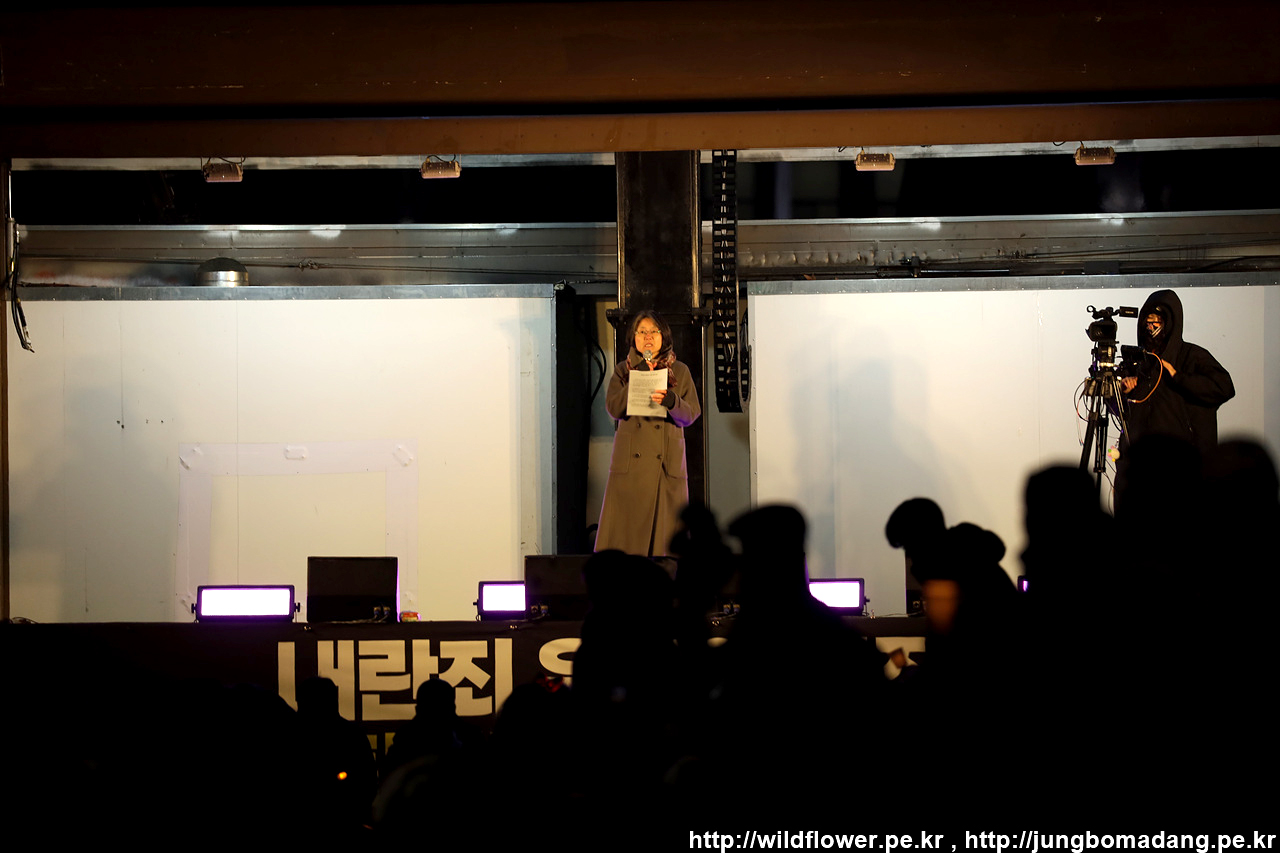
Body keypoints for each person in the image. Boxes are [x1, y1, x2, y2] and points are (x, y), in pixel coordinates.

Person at [595, 310, 700, 557]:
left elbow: (691, 414)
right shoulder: (623, 371)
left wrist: (672, 400)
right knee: (626, 547)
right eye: (642, 332)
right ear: (634, 338)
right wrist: (638, 377)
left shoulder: (680, 371)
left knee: (664, 548)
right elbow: (614, 409)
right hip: (631, 467)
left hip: (665, 467)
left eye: (654, 331)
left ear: (664, 336)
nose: (648, 337)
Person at [1119, 289, 1235, 456]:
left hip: (1184, 459)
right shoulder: (1138, 362)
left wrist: (1178, 377)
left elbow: (1224, 388)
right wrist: (1123, 391)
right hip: (1141, 459)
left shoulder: (1191, 356)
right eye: (1147, 321)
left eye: (1157, 321)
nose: (1151, 327)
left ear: (1170, 322)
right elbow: (1119, 410)